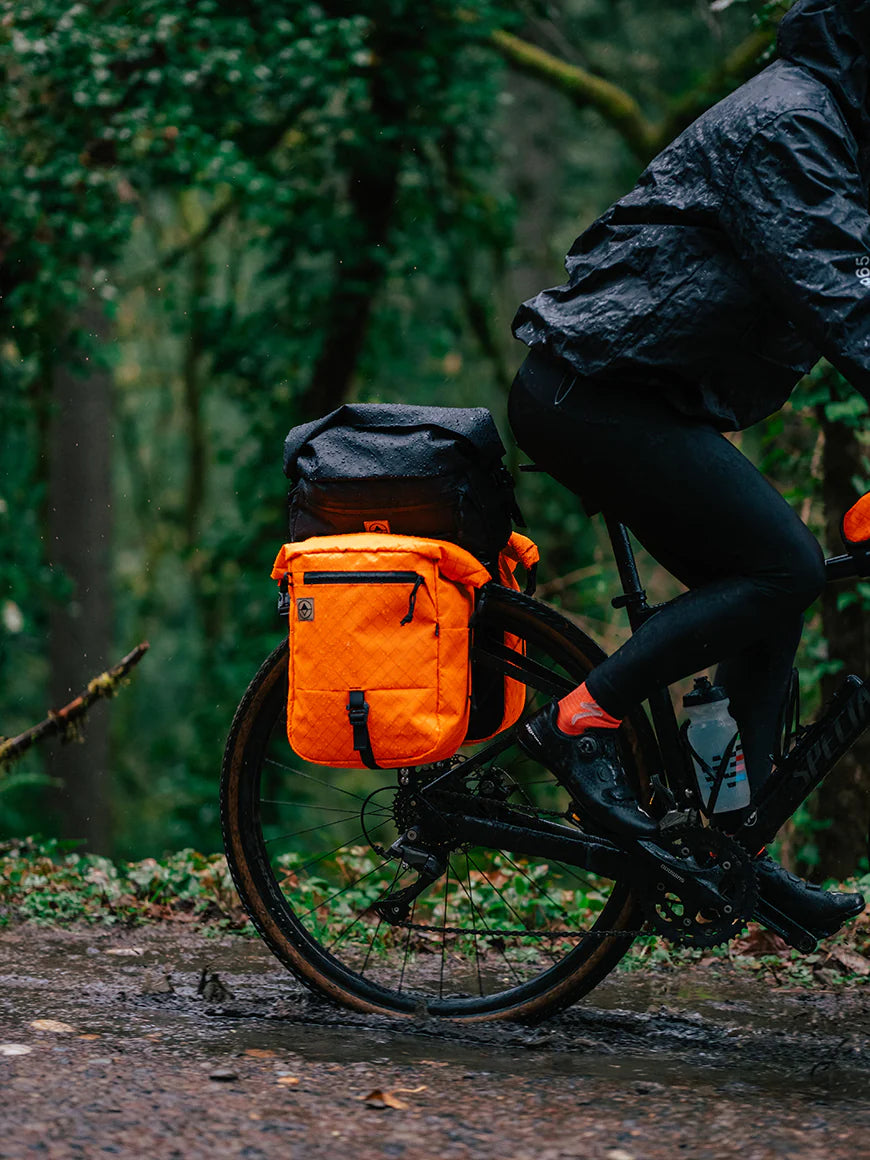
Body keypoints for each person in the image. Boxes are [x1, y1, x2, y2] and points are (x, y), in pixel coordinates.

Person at [508, 0, 869, 938]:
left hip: (645, 394)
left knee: (773, 593)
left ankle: (731, 850)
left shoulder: (831, 124)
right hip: (594, 390)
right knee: (781, 566)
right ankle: (578, 720)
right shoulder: (787, 121)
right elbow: (841, 295)